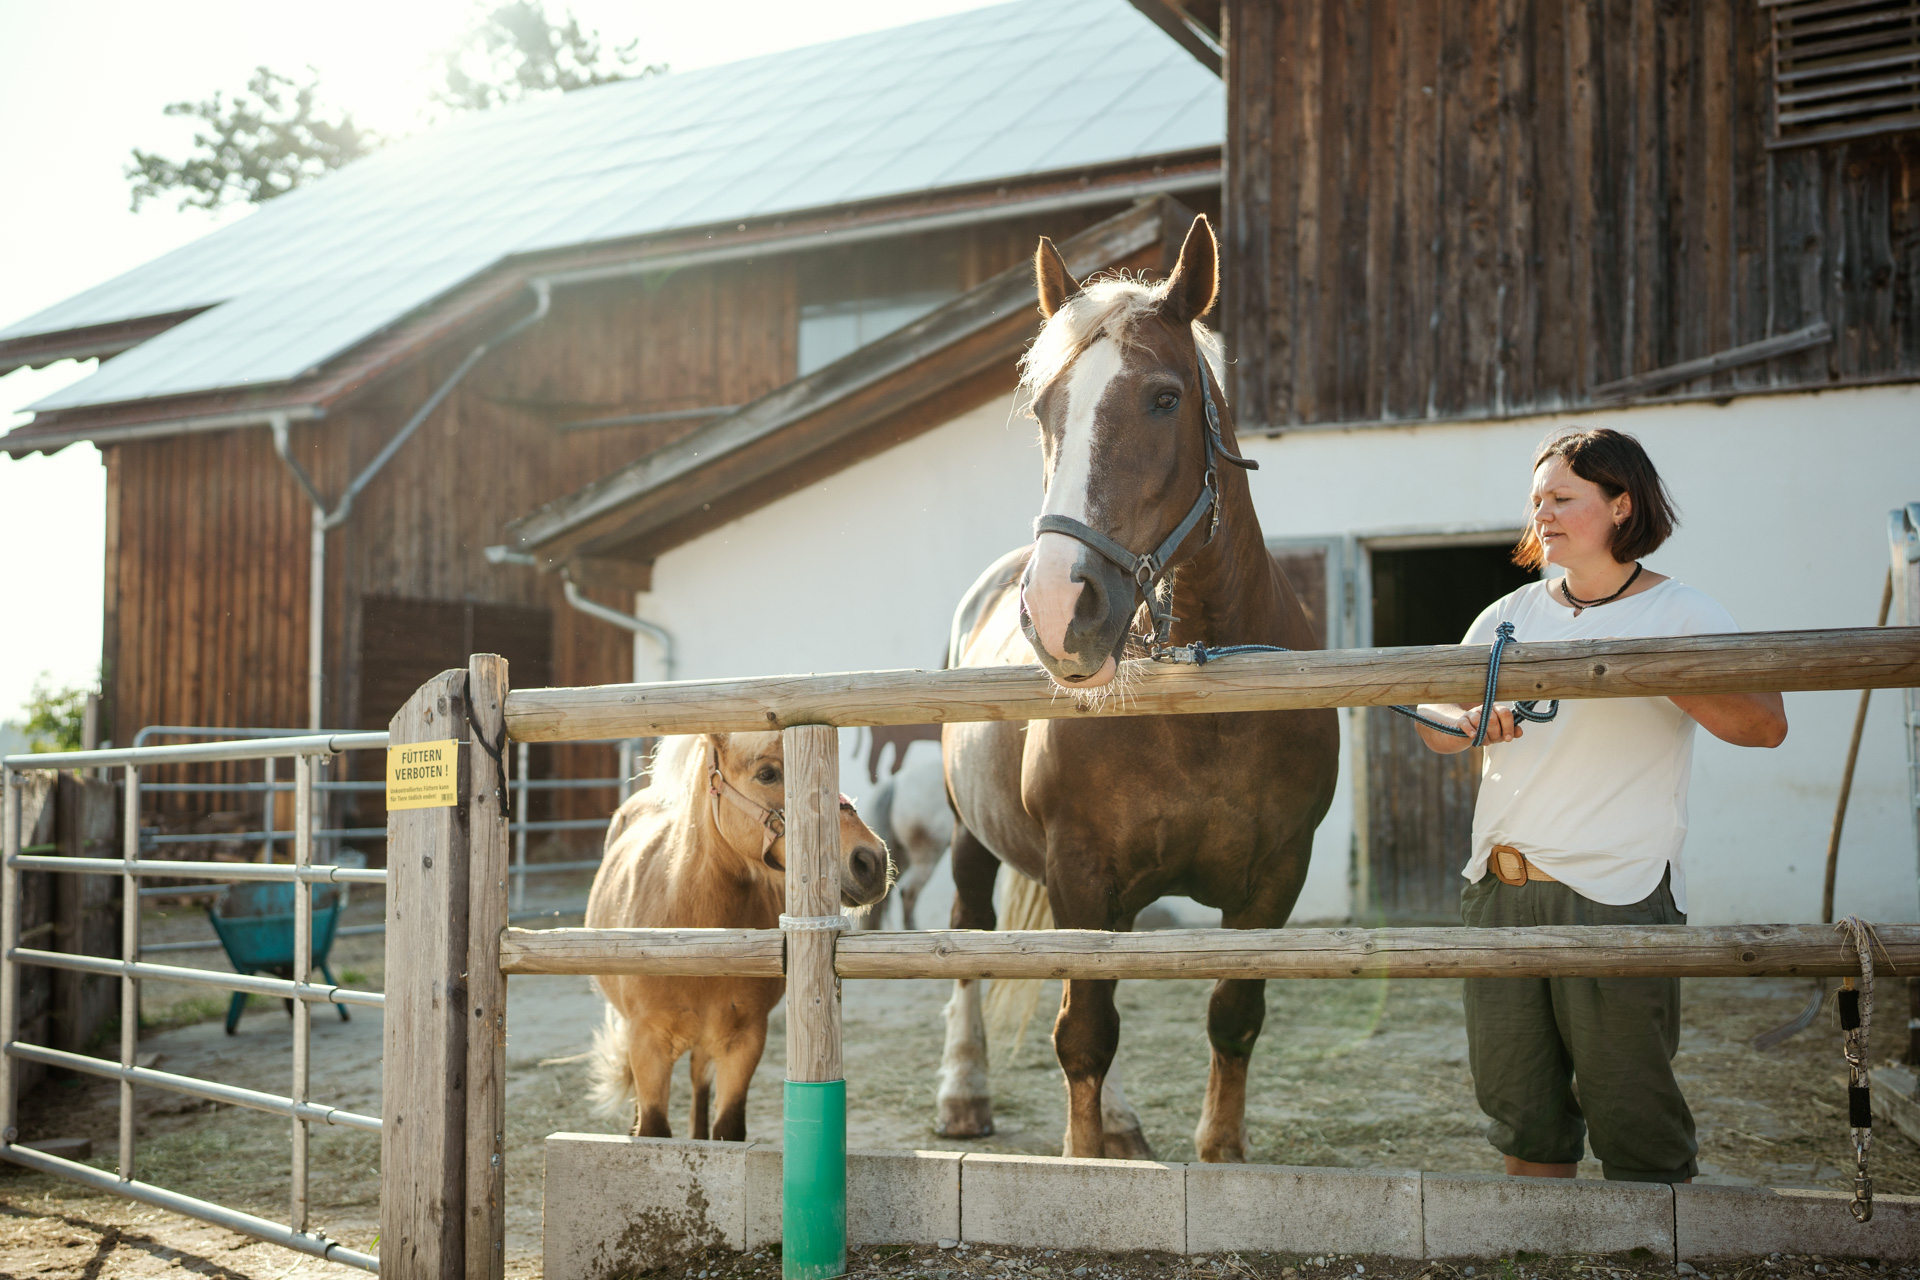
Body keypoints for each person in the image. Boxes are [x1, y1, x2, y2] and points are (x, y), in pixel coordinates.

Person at [1415, 427, 1787, 1184]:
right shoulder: (1507, 614)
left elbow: (1766, 724)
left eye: (1563, 499)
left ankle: (1651, 1249)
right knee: (1524, 1112)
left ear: (1621, 504)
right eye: (1536, 501)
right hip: (1501, 890)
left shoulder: (1684, 613)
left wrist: (1647, 670)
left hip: (1616, 893)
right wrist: (1463, 723)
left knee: (1633, 1112)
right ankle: (1540, 1250)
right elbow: (1435, 722)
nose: (1543, 515)